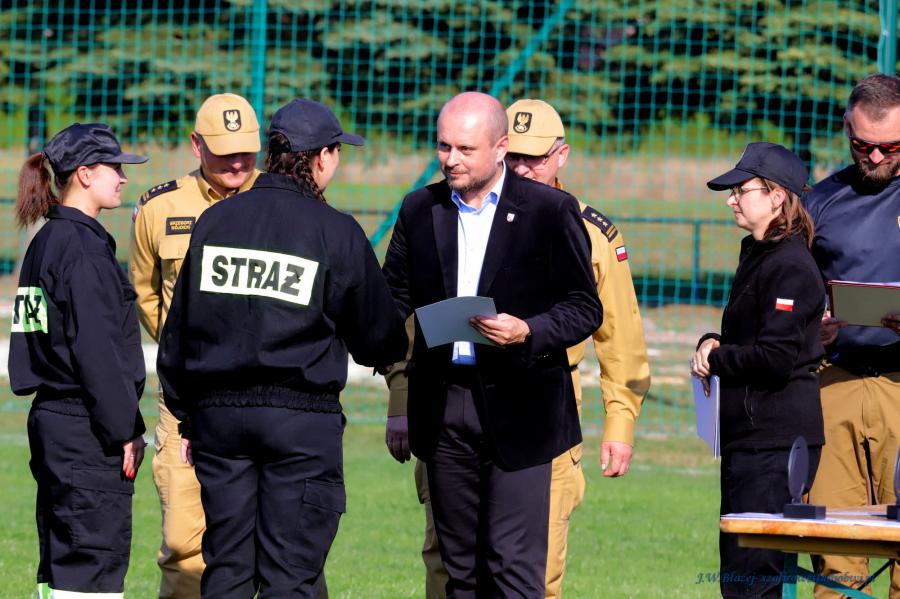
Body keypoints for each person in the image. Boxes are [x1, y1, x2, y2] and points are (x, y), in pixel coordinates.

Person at [384, 98, 650, 598]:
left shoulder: (558, 214)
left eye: (465, 148)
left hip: (528, 407)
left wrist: (528, 331)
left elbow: (595, 316)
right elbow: (393, 302)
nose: (451, 159)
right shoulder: (421, 208)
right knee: (453, 570)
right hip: (444, 407)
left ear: (498, 147)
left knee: (522, 573)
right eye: (444, 146)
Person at [157, 98, 408, 598]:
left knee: (227, 569)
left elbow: (179, 331)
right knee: (290, 575)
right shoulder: (335, 230)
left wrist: (186, 414)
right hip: (300, 421)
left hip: (219, 420)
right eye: (337, 153)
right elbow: (379, 340)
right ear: (323, 156)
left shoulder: (215, 221)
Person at [129, 92, 261, 598]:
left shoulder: (276, 201)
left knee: (281, 543)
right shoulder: (159, 207)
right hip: (187, 400)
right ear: (196, 145)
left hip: (263, 394)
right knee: (185, 545)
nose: (237, 163)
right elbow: (146, 293)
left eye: (246, 150)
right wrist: (187, 354)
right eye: (224, 151)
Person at [9, 123, 148, 598]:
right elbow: (98, 353)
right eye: (114, 168)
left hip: (52, 423)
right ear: (85, 174)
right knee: (91, 568)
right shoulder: (83, 249)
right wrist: (125, 428)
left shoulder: (46, 241)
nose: (123, 178)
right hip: (87, 429)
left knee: (61, 566)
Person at [692, 142, 825, 598]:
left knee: (754, 580)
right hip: (751, 439)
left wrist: (716, 358)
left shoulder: (790, 264)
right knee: (741, 576)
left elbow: (775, 357)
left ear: (776, 196)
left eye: (741, 191)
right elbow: (750, 335)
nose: (731, 200)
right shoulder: (760, 253)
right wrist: (713, 342)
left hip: (773, 443)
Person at [803, 73, 900, 598]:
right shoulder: (820, 201)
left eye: (892, 147)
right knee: (836, 558)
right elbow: (787, 292)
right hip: (834, 383)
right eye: (864, 146)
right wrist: (809, 327)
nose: (877, 156)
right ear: (847, 128)